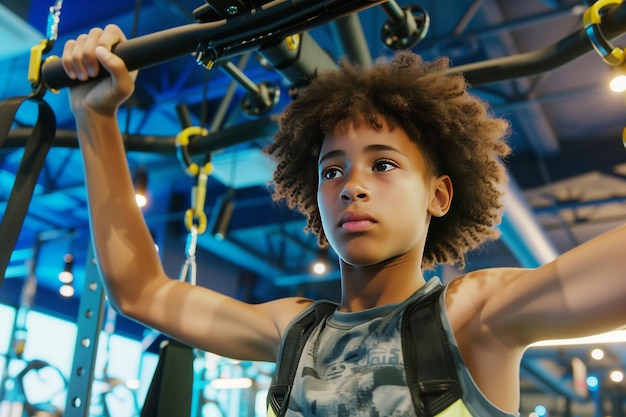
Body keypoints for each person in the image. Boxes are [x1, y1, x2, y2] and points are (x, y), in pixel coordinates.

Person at [60, 24, 625, 416]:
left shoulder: (474, 315)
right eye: (332, 171)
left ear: (439, 195)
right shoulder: (295, 331)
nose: (351, 184)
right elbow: (139, 291)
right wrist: (95, 115)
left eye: (383, 164)